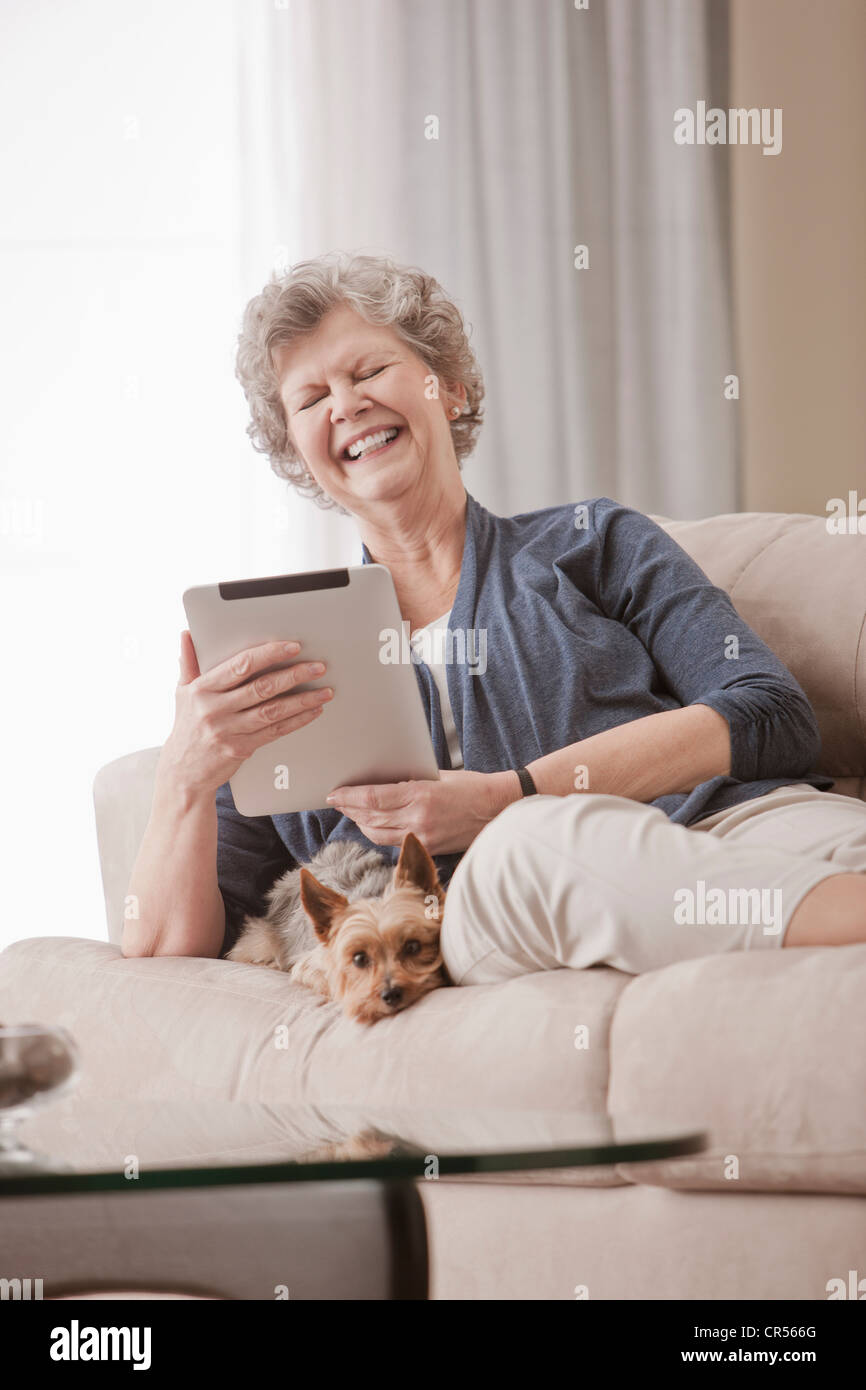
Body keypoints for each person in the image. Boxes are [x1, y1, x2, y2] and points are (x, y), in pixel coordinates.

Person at [122, 250, 866, 980]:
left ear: (447, 387)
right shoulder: (274, 653)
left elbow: (771, 713)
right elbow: (168, 957)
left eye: (370, 370)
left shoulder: (592, 541)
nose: (345, 404)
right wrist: (185, 773)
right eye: (311, 399)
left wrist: (507, 792)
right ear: (298, 453)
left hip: (735, 824)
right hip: (503, 893)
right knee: (531, 844)